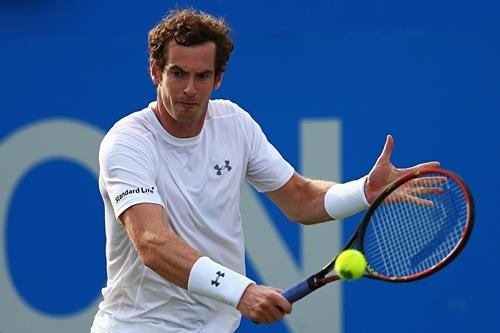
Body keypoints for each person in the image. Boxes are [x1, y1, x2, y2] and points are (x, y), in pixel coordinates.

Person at [90, 8, 439, 333]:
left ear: (219, 78)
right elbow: (153, 243)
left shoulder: (234, 124)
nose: (190, 90)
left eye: (203, 76)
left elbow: (300, 199)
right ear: (155, 71)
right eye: (177, 74)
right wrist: (242, 291)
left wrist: (364, 191)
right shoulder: (129, 142)